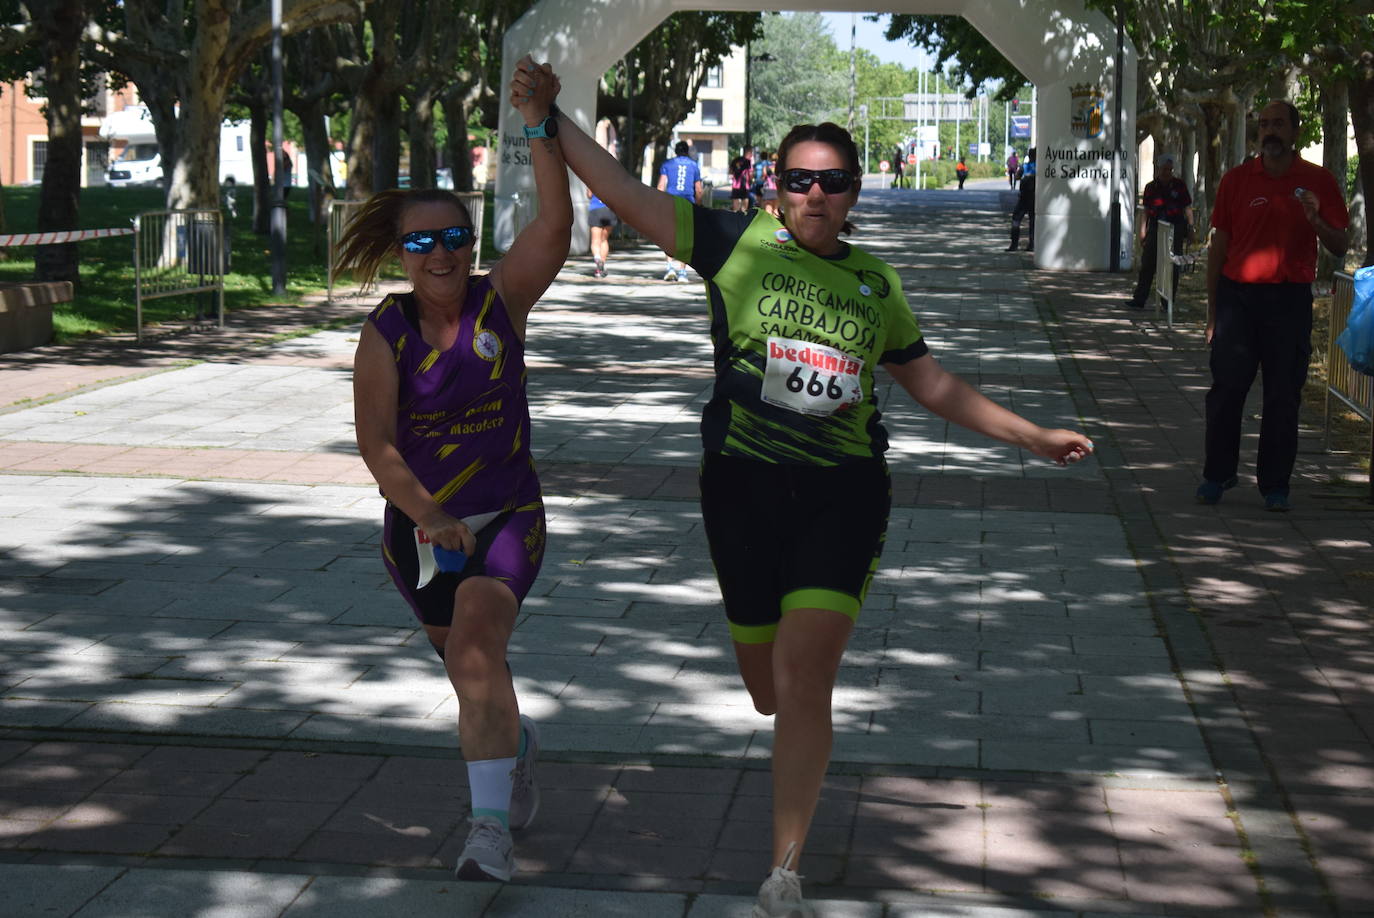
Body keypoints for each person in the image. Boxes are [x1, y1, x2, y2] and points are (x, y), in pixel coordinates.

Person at [519, 57, 1094, 917]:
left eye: (833, 182)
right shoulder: (732, 243)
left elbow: (930, 384)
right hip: (741, 494)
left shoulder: (876, 286)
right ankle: (781, 772)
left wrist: (1033, 436)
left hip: (843, 495)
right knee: (766, 689)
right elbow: (622, 188)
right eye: (799, 180)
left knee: (804, 672)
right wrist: (546, 115)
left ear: (855, 193)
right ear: (776, 189)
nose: (816, 195)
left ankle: (782, 870)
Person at [338, 55, 571, 883]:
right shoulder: (384, 335)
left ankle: (487, 834)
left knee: (476, 651)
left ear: (472, 243)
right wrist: (427, 512)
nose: (441, 253)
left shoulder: (500, 300)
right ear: (401, 252)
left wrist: (541, 121)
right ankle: (520, 743)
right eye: (421, 241)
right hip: (423, 534)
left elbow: (553, 224)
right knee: (474, 671)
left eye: (455, 237)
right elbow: (377, 446)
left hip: (508, 516)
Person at [1197, 99, 1349, 511]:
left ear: (1296, 131)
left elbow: (1340, 245)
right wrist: (1213, 313)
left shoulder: (1318, 181)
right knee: (1227, 390)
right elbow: (1219, 247)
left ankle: (1275, 485)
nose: (1270, 132)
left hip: (1289, 300)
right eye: (1264, 124)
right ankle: (1218, 473)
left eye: (1278, 124)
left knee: (1283, 395)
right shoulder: (1236, 180)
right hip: (1238, 300)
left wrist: (1315, 220)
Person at [1125, 153, 1193, 309]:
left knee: (1172, 265)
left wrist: (1191, 227)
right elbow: (1146, 211)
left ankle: (1168, 302)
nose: (1167, 172)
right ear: (1158, 169)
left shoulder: (1179, 185)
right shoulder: (1150, 187)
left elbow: (1187, 208)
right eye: (1164, 169)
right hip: (1156, 228)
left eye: (1170, 169)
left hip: (1175, 228)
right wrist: (1142, 231)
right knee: (1148, 263)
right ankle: (1140, 298)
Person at [657, 140, 703, 282]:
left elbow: (661, 186)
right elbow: (699, 190)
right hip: (687, 203)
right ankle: (682, 271)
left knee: (669, 235)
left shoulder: (667, 164)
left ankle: (670, 267)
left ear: (676, 151)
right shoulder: (694, 166)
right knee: (686, 238)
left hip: (671, 202)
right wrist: (699, 206)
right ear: (687, 152)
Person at [1007, 147, 1036, 252]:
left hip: (1023, 198)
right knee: (1033, 221)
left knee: (1016, 219)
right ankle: (1032, 245)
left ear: (1029, 156)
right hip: (1035, 199)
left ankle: (1014, 245)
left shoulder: (1024, 166)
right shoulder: (1042, 167)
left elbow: (1017, 177)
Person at [588, 191, 616, 277]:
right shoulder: (614, 180)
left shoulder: (592, 178)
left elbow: (589, 194)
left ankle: (597, 258)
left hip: (595, 209)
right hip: (609, 210)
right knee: (604, 240)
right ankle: (600, 268)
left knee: (595, 241)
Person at [730, 146, 754, 212]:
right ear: (748, 152)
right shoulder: (748, 162)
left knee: (735, 209)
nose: (752, 155)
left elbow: (731, 171)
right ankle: (742, 221)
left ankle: (734, 221)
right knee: (744, 210)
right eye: (751, 153)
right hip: (745, 186)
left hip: (735, 186)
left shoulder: (735, 160)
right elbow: (750, 174)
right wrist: (751, 181)